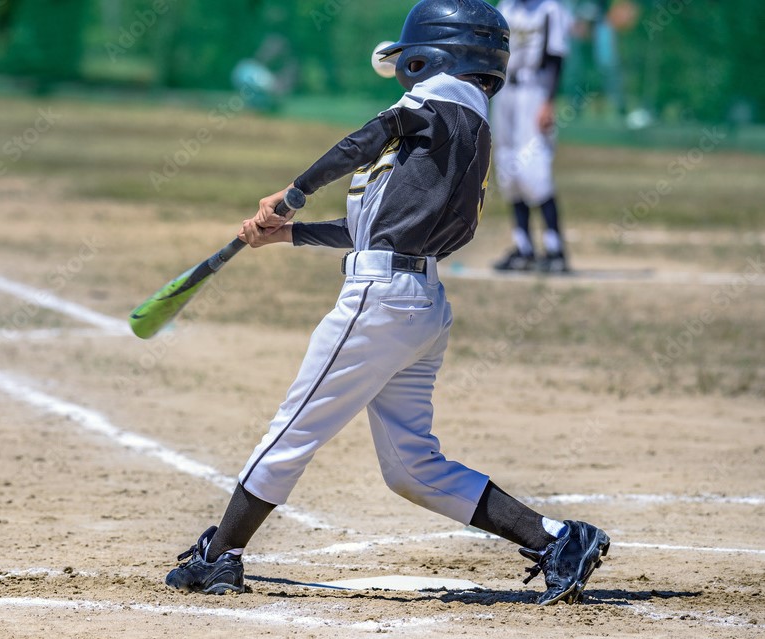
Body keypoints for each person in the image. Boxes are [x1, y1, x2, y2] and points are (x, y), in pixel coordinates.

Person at [164, 0, 610, 606]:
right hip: (415, 303)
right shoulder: (457, 126)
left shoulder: (443, 98)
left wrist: (293, 195)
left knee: (291, 430)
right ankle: (557, 539)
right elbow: (375, 230)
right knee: (412, 468)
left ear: (436, 53)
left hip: (381, 301)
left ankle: (221, 554)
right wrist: (288, 233)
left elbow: (363, 139)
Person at [492, 0, 574, 273]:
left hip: (534, 90)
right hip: (504, 91)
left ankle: (555, 250)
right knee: (507, 166)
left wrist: (548, 102)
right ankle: (523, 248)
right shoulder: (506, 7)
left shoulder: (550, 10)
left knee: (534, 167)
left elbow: (556, 57)